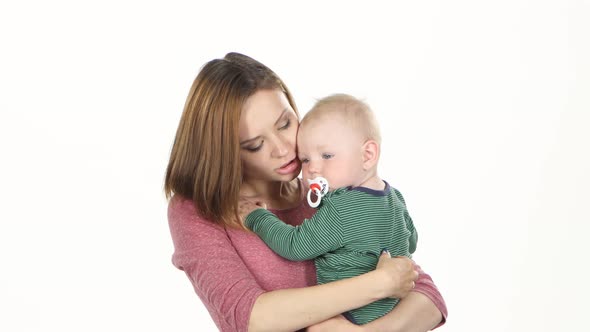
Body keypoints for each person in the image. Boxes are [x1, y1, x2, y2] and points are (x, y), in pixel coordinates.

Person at [165, 52, 447, 331]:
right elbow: (252, 318)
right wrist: (378, 284)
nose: (284, 149)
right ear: (224, 151)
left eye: (285, 124)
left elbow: (424, 293)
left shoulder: (332, 191)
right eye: (254, 144)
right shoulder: (198, 211)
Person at [239, 94, 423, 325]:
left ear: (367, 155)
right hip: (391, 313)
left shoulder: (340, 208)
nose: (314, 168)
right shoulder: (395, 197)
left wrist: (257, 217)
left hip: (350, 317)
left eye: (327, 156)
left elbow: (295, 245)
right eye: (305, 159)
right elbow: (412, 241)